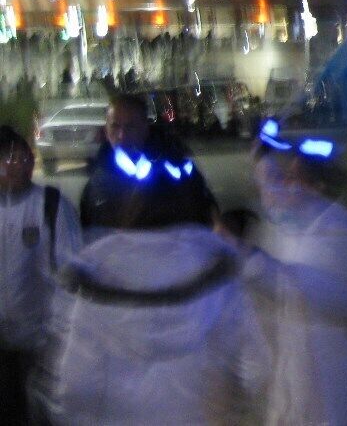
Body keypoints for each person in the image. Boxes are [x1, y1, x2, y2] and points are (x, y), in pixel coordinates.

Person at [45, 137, 267, 424]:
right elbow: (254, 364)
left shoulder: (97, 266)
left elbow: (76, 382)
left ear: (131, 204)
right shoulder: (214, 264)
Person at [239, 121, 347, 425]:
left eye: (294, 179)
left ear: (319, 188)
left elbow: (319, 293)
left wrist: (254, 264)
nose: (283, 186)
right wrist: (260, 152)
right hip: (288, 385)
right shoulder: (294, 219)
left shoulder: (345, 234)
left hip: (324, 390)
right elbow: (269, 184)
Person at [0, 126, 82, 424]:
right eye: (11, 158)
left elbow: (71, 273)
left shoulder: (51, 206)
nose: (22, 164)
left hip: (42, 345)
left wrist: (61, 332)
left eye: (25, 157)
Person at [79, 92, 217, 232]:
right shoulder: (99, 175)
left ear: (144, 127)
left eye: (130, 126)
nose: (122, 135)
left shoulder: (173, 164)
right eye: (115, 126)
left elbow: (202, 202)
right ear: (106, 130)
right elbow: (90, 225)